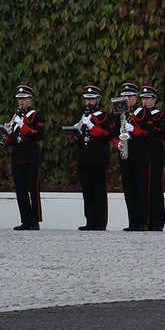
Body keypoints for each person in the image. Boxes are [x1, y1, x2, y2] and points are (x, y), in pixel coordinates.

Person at [68, 85, 115, 231]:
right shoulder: (80, 116)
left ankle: (101, 222)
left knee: (99, 191)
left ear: (98, 100)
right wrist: (76, 131)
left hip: (98, 159)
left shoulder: (105, 116)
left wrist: (91, 125)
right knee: (87, 192)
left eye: (92, 99)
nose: (89, 102)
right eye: (87, 99)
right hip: (84, 158)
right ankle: (90, 221)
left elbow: (107, 135)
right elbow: (72, 139)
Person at [3, 84, 45, 231]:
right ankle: (25, 220)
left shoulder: (36, 115)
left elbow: (38, 135)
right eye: (19, 99)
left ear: (30, 99)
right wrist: (8, 132)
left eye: (24, 98)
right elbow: (12, 140)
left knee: (32, 189)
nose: (21, 102)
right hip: (18, 156)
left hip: (30, 156)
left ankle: (35, 221)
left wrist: (23, 125)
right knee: (20, 190)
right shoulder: (16, 117)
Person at [116, 82, 149, 232]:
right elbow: (113, 132)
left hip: (140, 155)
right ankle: (132, 222)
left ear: (136, 97)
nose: (126, 99)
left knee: (141, 190)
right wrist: (118, 144)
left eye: (129, 96)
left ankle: (143, 222)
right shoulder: (120, 114)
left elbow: (148, 132)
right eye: (124, 96)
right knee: (129, 190)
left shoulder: (142, 112)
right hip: (126, 156)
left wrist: (133, 129)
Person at [139, 85, 165, 231]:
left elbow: (163, 132)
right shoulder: (138, 114)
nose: (144, 101)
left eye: (147, 98)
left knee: (155, 189)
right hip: (141, 155)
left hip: (154, 155)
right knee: (143, 189)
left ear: (154, 99)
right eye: (142, 98)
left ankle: (157, 221)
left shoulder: (159, 114)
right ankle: (143, 220)